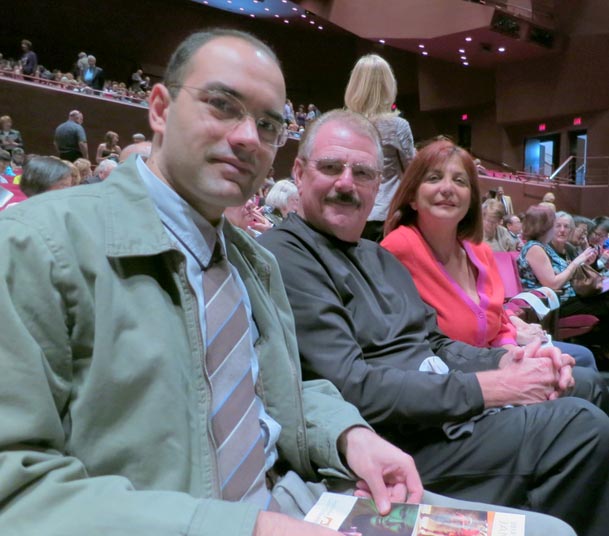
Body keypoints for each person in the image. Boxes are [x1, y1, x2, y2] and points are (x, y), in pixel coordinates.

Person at [0, 28, 452, 536]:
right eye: (222, 105)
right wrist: (246, 528)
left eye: (268, 124)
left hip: (294, 496)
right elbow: (13, 488)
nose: (247, 137)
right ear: (160, 109)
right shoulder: (36, 244)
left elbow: (274, 386)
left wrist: (347, 434)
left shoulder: (252, 261)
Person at [259, 109, 609, 536]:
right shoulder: (286, 254)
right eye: (331, 167)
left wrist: (509, 362)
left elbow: (436, 343)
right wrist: (493, 388)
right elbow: (351, 385)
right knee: (583, 430)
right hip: (398, 441)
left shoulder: (377, 256)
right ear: (299, 172)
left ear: (378, 185)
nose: (346, 183)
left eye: (362, 173)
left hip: (445, 411)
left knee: (587, 384)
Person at [381, 140, 597, 370]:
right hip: (453, 375)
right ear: (412, 197)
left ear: (470, 200)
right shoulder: (398, 248)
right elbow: (402, 346)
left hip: (496, 356)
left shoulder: (479, 251)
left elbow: (497, 323)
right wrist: (510, 363)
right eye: (434, 178)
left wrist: (512, 351)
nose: (448, 188)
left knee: (582, 361)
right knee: (580, 372)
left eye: (459, 181)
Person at [344, 54, 415, 242]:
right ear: (388, 86)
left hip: (351, 212)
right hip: (386, 217)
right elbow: (413, 172)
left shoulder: (343, 124)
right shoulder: (398, 126)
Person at [518, 205, 609, 329]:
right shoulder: (535, 248)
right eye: (555, 225)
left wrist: (584, 263)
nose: (559, 230)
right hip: (553, 304)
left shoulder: (542, 246)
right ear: (545, 227)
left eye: (566, 226)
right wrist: (576, 262)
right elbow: (553, 284)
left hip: (568, 298)